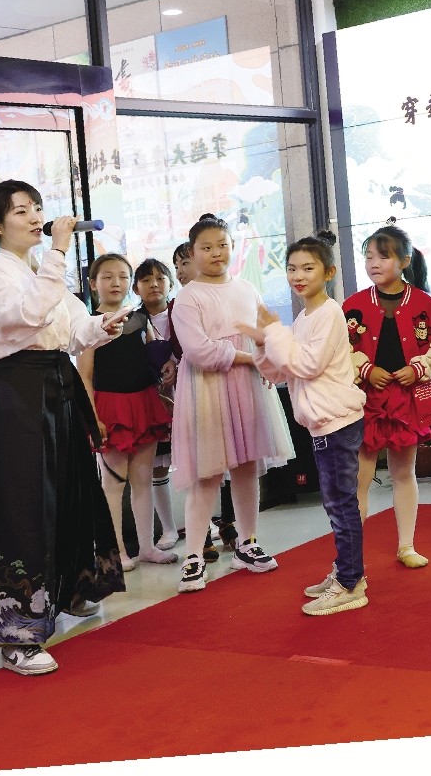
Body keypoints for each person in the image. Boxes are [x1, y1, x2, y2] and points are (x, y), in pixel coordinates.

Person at [0, 180, 129, 676]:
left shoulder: (41, 269)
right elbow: (26, 316)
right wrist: (57, 251)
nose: (36, 217)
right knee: (22, 505)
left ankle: (70, 591)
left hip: (58, 385)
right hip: (14, 394)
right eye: (21, 211)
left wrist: (104, 326)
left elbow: (73, 330)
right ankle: (17, 636)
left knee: (71, 490)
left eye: (37, 207)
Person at [244, 231, 370, 615]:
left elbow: (308, 365)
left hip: (336, 422)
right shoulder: (303, 317)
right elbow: (282, 372)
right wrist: (264, 344)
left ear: (328, 272)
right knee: (336, 504)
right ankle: (347, 573)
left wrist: (274, 334)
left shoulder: (329, 313)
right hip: (324, 422)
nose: (298, 275)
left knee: (341, 504)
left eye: (308, 268)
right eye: (292, 268)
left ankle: (351, 582)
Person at [170, 213, 295, 593]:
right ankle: (193, 556)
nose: (216, 253)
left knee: (247, 466)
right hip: (207, 388)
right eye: (206, 247)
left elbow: (264, 335)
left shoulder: (247, 288)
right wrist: (250, 359)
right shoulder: (188, 297)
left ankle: (247, 543)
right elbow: (199, 351)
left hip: (248, 387)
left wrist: (267, 360)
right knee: (207, 474)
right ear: (193, 252)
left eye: (222, 245)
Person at [344, 223, 431, 569]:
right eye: (369, 257)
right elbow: (339, 348)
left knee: (404, 473)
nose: (374, 263)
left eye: (383, 256)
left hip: (407, 400)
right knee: (359, 478)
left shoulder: (425, 304)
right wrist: (365, 369)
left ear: (405, 261)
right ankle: (350, 555)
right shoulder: (353, 305)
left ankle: (407, 546)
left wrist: (418, 368)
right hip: (365, 401)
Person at [77, 254, 179, 573]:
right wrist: (93, 417)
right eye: (107, 277)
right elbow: (84, 376)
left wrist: (168, 367)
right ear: (93, 284)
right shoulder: (88, 326)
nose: (116, 283)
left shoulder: (139, 319)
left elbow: (156, 355)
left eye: (122, 276)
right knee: (113, 485)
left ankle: (147, 547)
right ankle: (117, 552)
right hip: (109, 407)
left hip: (144, 403)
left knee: (143, 480)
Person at [171, 240, 225, 564]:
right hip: (195, 386)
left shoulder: (222, 294)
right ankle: (200, 541)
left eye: (184, 263)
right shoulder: (179, 302)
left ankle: (231, 525)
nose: (180, 271)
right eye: (176, 266)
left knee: (235, 463)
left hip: (225, 379)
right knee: (202, 464)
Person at [133, 257, 180, 552]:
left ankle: (206, 523)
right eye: (146, 280)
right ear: (136, 288)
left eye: (160, 278)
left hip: (186, 392)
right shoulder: (133, 321)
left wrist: (176, 364)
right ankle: (169, 528)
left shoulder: (182, 311)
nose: (154, 284)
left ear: (170, 284)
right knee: (158, 466)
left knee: (196, 460)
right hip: (152, 399)